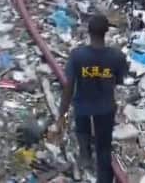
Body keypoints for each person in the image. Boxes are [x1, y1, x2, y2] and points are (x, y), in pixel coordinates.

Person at [54, 14, 127, 183]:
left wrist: (61, 114)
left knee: (82, 131)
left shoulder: (77, 55)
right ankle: (104, 179)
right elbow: (119, 81)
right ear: (106, 31)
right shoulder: (117, 57)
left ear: (88, 31)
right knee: (104, 148)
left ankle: (85, 155)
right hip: (105, 108)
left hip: (83, 105)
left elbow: (69, 87)